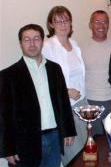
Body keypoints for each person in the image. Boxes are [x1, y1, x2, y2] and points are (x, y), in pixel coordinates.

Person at [0, 24, 76, 167]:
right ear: (20, 43)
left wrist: (68, 131)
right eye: (27, 40)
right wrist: (8, 149)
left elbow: (63, 102)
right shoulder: (8, 75)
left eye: (36, 39)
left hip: (53, 138)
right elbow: (4, 115)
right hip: (24, 143)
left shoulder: (54, 69)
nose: (32, 44)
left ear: (42, 41)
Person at [42, 6, 88, 166]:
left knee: (86, 150)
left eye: (66, 20)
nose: (63, 24)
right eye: (58, 21)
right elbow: (44, 79)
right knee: (73, 155)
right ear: (51, 24)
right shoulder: (48, 47)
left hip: (82, 103)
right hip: (65, 107)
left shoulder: (74, 44)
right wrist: (66, 91)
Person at [81, 10, 111, 136]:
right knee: (94, 140)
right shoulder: (81, 47)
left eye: (105, 22)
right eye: (97, 22)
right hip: (91, 101)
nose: (101, 25)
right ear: (90, 25)